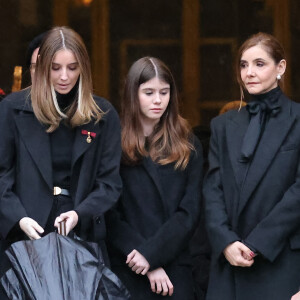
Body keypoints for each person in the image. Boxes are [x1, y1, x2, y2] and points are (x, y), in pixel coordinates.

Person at [0, 26, 122, 298]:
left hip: (82, 233)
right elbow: (1, 175)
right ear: (42, 67)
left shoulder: (103, 115)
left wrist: (81, 213)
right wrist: (18, 218)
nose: (64, 76)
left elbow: (109, 183)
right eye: (55, 68)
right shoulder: (12, 108)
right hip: (26, 233)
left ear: (84, 69)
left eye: (72, 67)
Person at [203, 32, 300, 300]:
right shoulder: (222, 126)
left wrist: (257, 243)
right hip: (230, 261)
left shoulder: (298, 120)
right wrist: (225, 241)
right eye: (244, 65)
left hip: (279, 259)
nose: (249, 72)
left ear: (280, 68)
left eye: (259, 64)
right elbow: (213, 189)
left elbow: (298, 194)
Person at [106, 57, 203, 299]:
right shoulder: (113, 143)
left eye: (164, 92)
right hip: (128, 267)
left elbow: (189, 212)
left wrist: (152, 254)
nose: (158, 100)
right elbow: (108, 213)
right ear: (132, 94)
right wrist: (143, 257)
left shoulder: (188, 143)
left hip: (175, 269)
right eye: (148, 92)